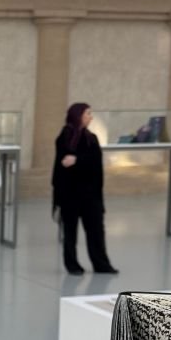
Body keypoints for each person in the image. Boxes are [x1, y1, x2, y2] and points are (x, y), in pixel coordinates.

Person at [53, 102, 116, 275]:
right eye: (87, 113)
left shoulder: (91, 138)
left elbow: (95, 162)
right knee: (70, 231)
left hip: (90, 193)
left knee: (96, 229)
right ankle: (72, 265)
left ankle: (101, 264)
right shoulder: (65, 137)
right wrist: (77, 161)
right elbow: (63, 164)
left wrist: (77, 160)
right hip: (70, 193)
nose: (91, 117)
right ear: (78, 115)